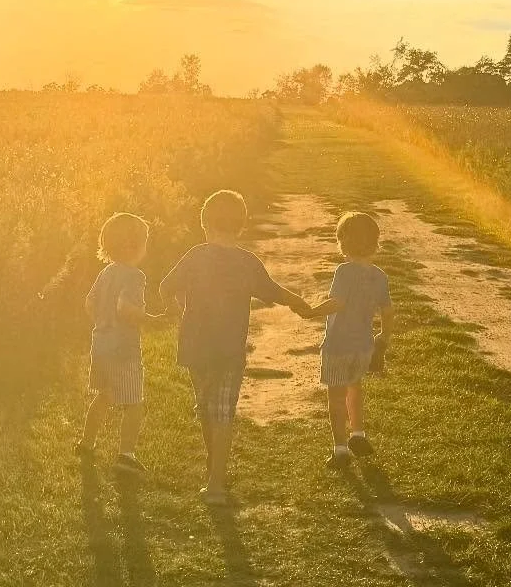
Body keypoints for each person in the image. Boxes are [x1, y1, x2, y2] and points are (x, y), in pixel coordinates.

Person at [160, 190, 315, 504]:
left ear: (204, 224)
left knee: (206, 407)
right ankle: (216, 483)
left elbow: (165, 287)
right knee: (222, 413)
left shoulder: (195, 256)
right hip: (228, 351)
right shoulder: (247, 262)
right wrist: (300, 303)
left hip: (194, 347)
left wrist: (175, 306)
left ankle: (213, 469)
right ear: (241, 226)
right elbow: (272, 291)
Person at [77, 212, 165, 474]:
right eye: (145, 242)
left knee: (104, 395)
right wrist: (150, 320)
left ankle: (86, 443)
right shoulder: (134, 276)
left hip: (100, 344)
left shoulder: (106, 273)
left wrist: (102, 324)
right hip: (123, 349)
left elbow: (89, 303)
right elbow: (125, 308)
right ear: (133, 246)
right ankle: (126, 455)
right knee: (134, 402)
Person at [312, 211, 392, 469]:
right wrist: (384, 336)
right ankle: (358, 434)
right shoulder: (379, 275)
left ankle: (340, 449)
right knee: (354, 387)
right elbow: (387, 310)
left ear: (343, 241)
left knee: (335, 396)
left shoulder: (344, 271)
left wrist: (311, 311)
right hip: (364, 346)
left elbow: (337, 303)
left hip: (338, 345)